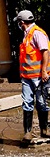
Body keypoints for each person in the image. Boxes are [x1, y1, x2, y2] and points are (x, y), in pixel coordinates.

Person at [15, 10, 50, 143]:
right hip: (27, 76)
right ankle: (28, 132)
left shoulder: (37, 33)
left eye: (19, 22)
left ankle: (44, 129)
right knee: (27, 103)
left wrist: (44, 71)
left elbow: (45, 52)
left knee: (41, 103)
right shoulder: (27, 34)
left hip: (39, 77)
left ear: (22, 22)